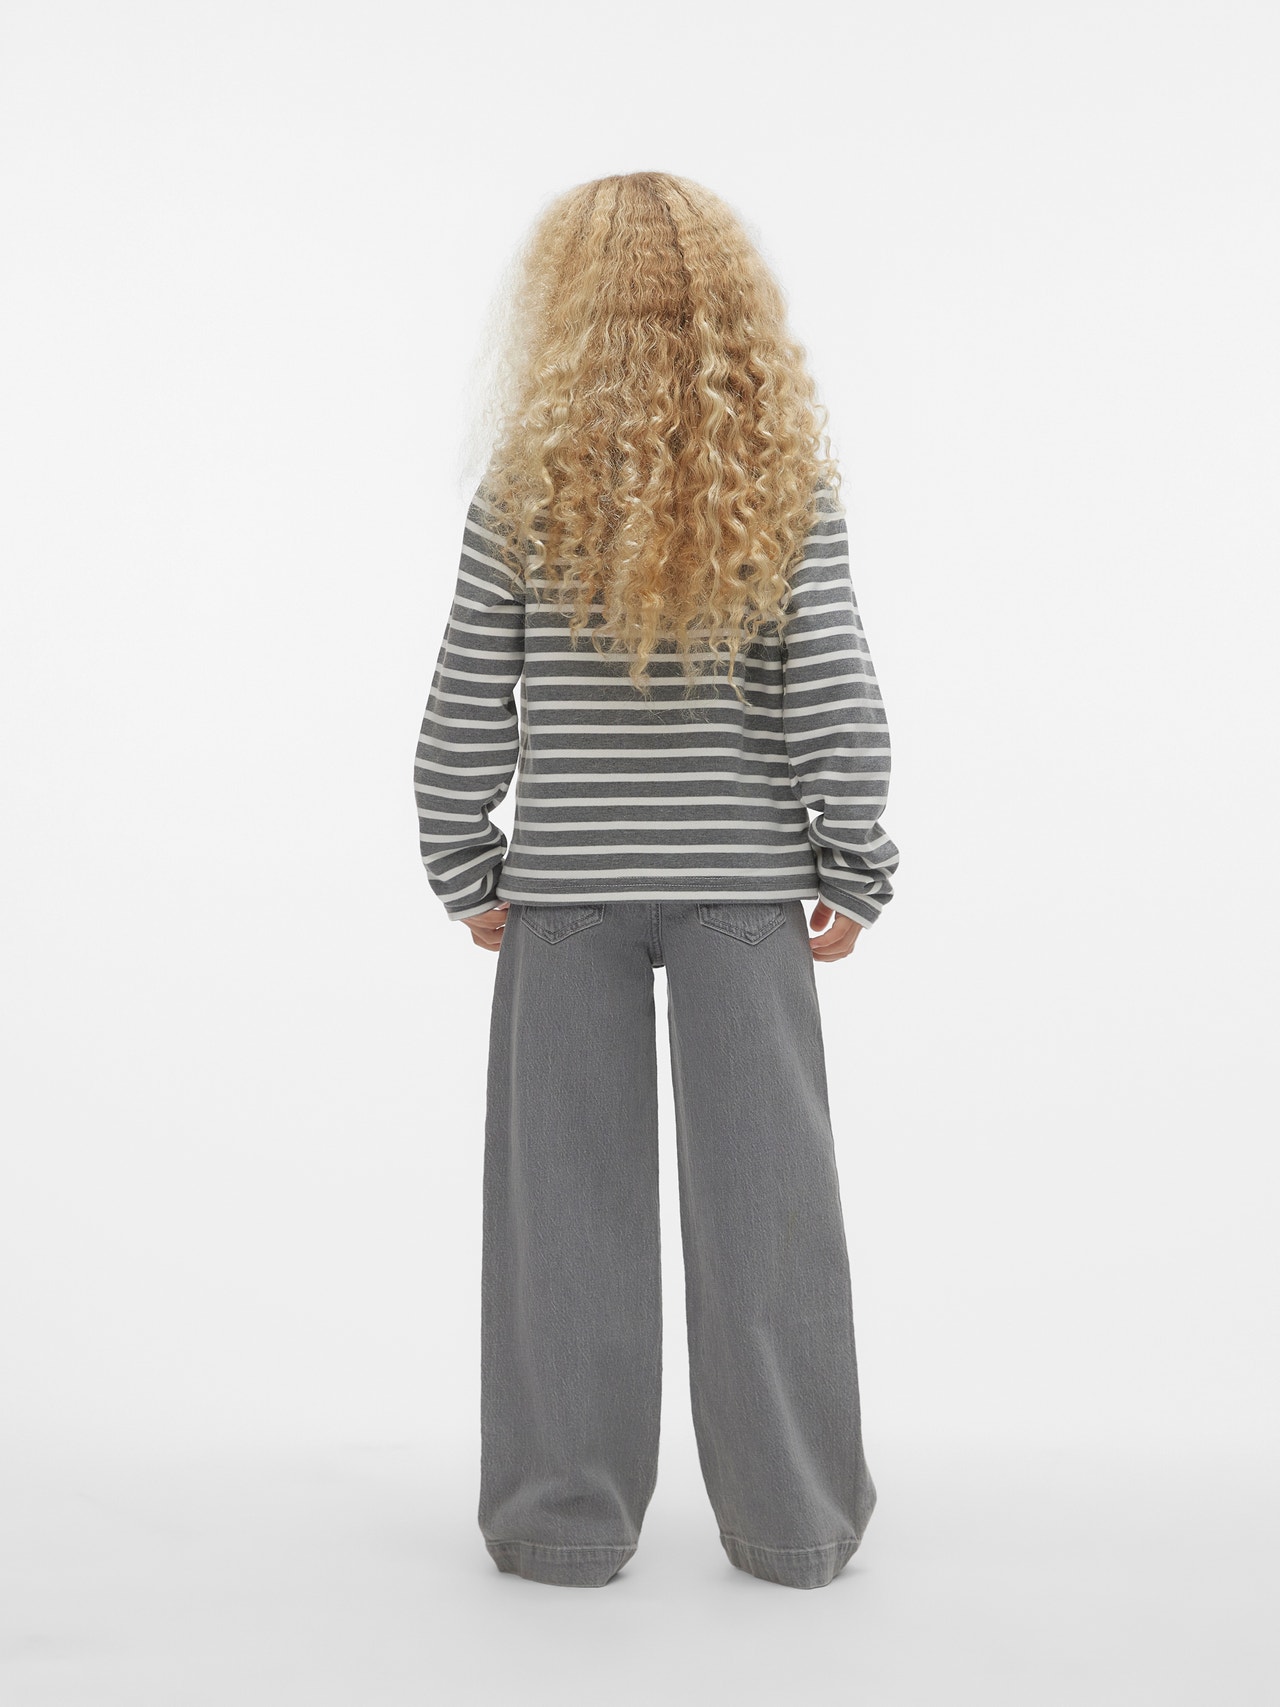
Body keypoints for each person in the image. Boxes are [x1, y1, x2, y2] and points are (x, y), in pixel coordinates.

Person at [413, 171, 900, 1591]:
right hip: (745, 897)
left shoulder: (523, 497)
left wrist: (464, 859)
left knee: (563, 1216)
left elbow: (463, 706)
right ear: (732, 311)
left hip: (564, 896)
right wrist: (854, 860)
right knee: (772, 1210)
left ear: (560, 310)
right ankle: (794, 1521)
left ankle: (561, 1523)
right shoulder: (786, 490)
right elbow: (835, 695)